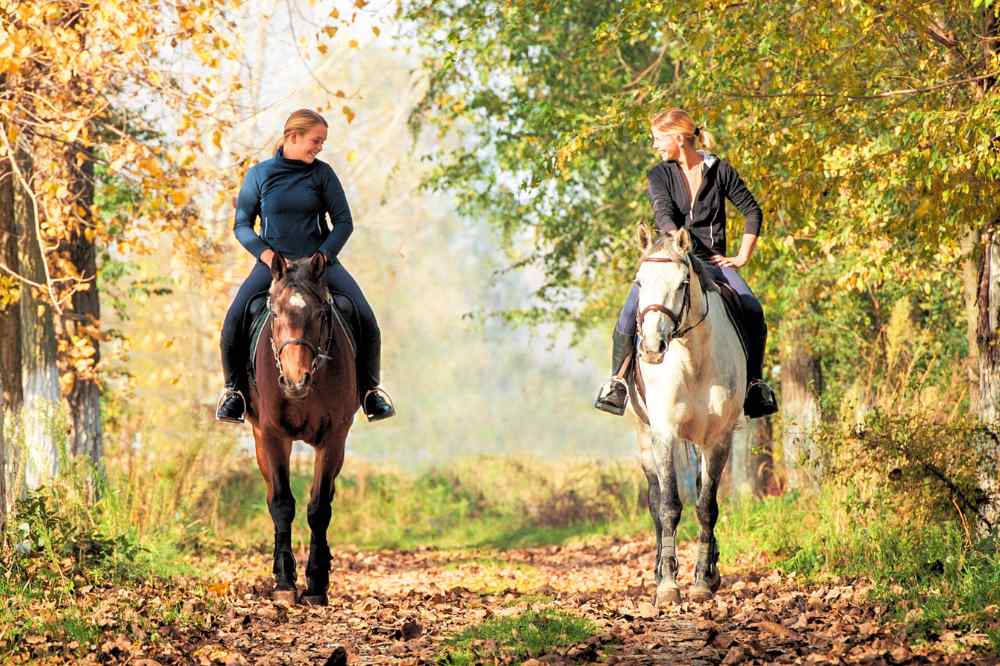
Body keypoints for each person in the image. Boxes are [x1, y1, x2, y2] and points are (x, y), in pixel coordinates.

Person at [594, 108, 778, 418]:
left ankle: (754, 385)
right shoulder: (659, 175)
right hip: (673, 259)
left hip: (714, 262)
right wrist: (676, 242)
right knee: (628, 312)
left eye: (658, 139)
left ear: (679, 138)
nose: (655, 146)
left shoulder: (720, 170)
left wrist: (742, 255)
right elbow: (663, 213)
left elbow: (752, 211)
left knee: (752, 309)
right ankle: (617, 383)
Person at [216, 108, 395, 423]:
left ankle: (370, 393)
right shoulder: (258, 175)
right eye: (316, 140)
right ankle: (235, 394)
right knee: (233, 320)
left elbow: (343, 222)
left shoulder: (322, 174)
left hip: (318, 266)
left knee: (366, 318)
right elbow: (242, 225)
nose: (320, 147)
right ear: (293, 137)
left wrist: (323, 256)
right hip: (275, 266)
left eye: (322, 142)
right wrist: (266, 255)